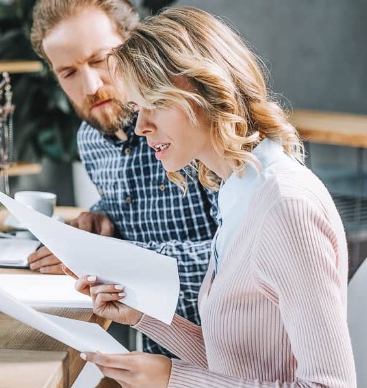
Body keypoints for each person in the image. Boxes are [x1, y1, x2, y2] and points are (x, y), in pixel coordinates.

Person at [70, 7, 357, 387]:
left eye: (155, 104)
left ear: (205, 89)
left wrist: (173, 380)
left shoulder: (286, 207)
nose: (141, 127)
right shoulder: (238, 190)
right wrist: (143, 315)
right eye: (137, 109)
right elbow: (235, 362)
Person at [28, 0, 219, 356]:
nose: (90, 85)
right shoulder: (90, 140)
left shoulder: (188, 129)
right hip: (155, 355)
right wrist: (100, 219)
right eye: (68, 73)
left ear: (134, 46)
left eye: (100, 60)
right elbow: (135, 210)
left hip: (232, 357)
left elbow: (236, 261)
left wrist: (108, 258)